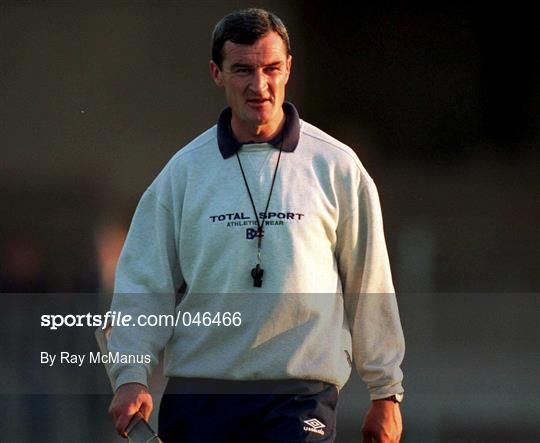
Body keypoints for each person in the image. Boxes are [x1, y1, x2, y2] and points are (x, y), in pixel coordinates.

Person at [108, 8, 405, 443]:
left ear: (289, 68)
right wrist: (130, 373)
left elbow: (369, 280)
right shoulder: (183, 173)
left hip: (300, 395)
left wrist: (386, 391)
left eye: (271, 68)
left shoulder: (337, 167)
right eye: (243, 70)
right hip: (200, 393)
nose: (259, 85)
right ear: (217, 73)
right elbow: (143, 281)